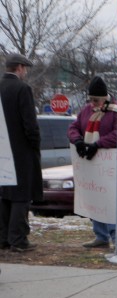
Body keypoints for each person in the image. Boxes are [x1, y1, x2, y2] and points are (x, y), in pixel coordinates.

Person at [68, 76, 117, 248]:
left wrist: (98, 144)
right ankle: (100, 235)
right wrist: (78, 142)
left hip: (109, 165)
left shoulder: (115, 112)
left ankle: (116, 236)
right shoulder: (86, 111)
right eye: (90, 99)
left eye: (96, 100)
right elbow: (73, 127)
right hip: (91, 163)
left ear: (105, 97)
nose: (92, 103)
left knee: (110, 200)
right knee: (95, 198)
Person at [0, 53, 42, 252]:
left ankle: (3, 238)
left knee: (4, 194)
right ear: (19, 68)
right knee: (21, 196)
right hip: (20, 150)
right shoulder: (22, 88)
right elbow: (30, 125)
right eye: (24, 68)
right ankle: (18, 239)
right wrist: (34, 145)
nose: (25, 72)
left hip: (2, 151)